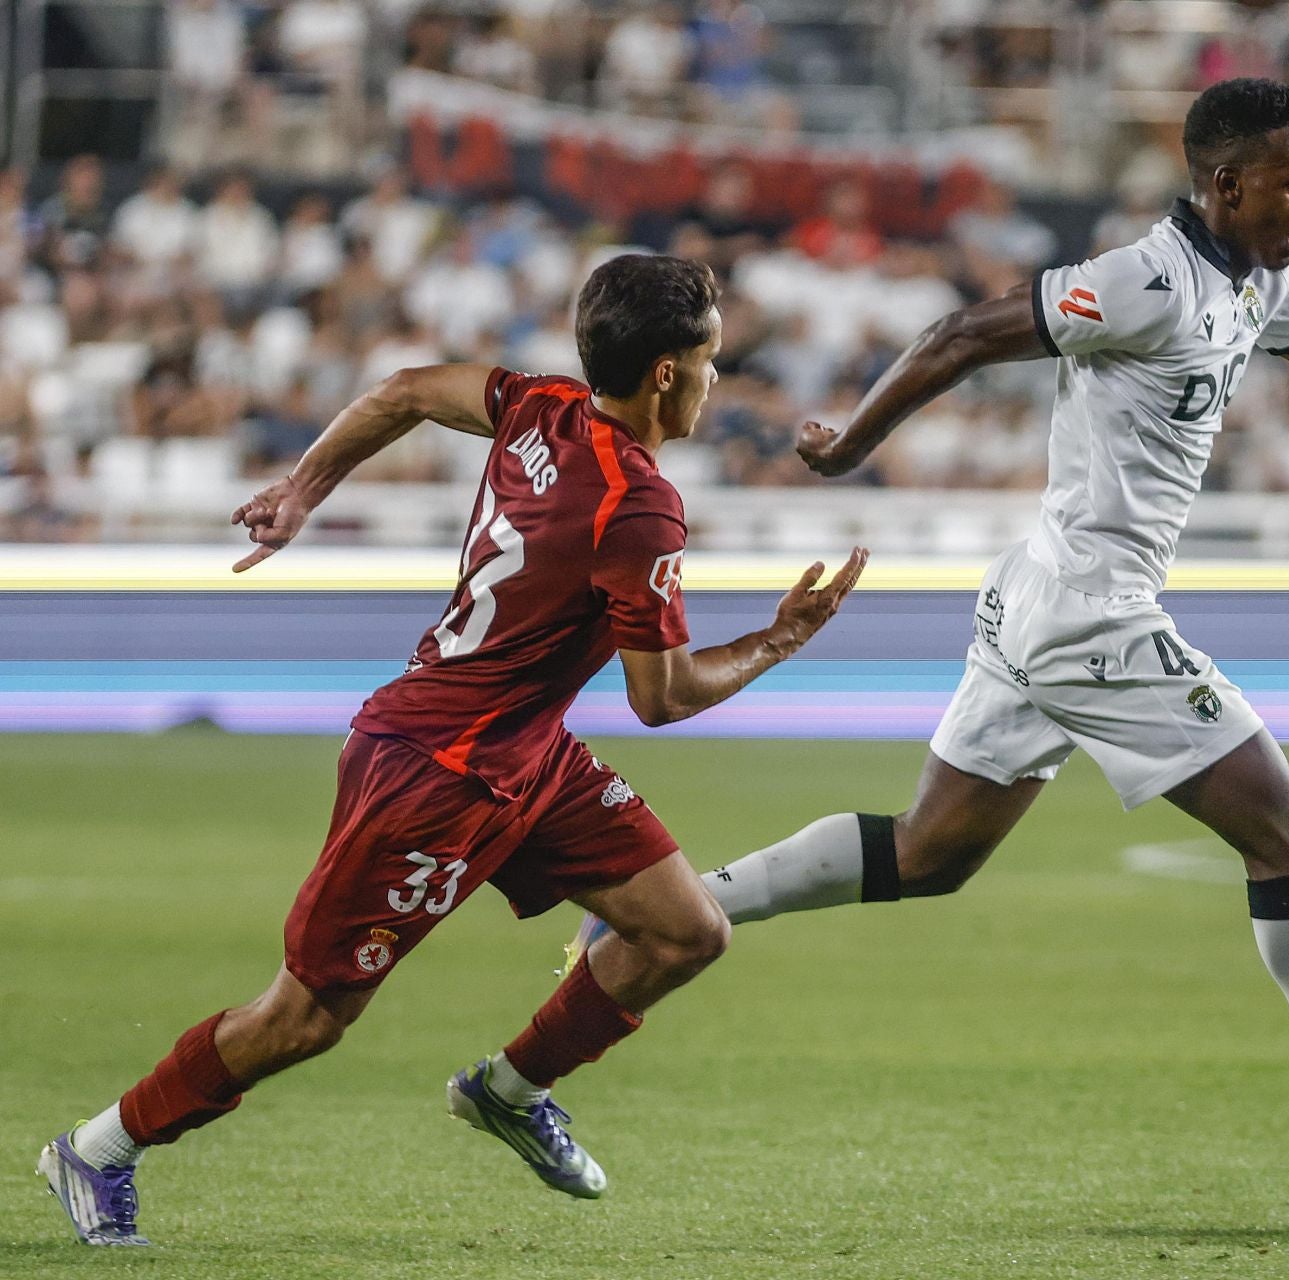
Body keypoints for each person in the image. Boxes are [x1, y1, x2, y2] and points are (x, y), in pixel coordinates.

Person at [570, 79, 1289, 1196]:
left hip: (1043, 598)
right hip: (1093, 617)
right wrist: (851, 448)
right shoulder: (1143, 282)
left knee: (931, 853)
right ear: (1228, 185)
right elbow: (965, 332)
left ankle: (674, 910)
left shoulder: (1258, 285)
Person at [38, 253, 867, 1247]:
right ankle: (99, 1146)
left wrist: (304, 487)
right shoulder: (639, 504)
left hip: (525, 752)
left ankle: (509, 1090)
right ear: (665, 373)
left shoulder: (542, 406)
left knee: (685, 930)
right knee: (305, 1017)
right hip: (436, 773)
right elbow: (665, 694)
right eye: (710, 359)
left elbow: (403, 391)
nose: (715, 377)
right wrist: (780, 638)